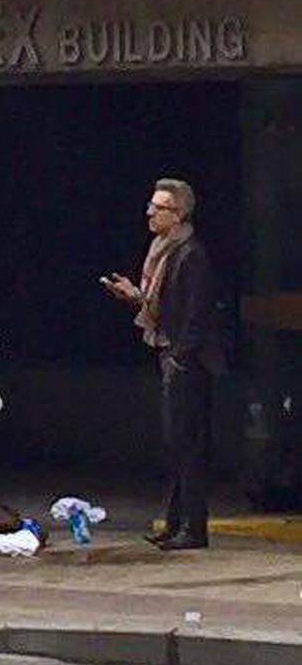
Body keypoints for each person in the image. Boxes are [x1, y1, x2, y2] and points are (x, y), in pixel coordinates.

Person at [103, 178, 226, 551]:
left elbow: (195, 314)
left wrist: (181, 357)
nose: (150, 213)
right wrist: (134, 297)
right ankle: (174, 523)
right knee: (174, 444)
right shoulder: (162, 251)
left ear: (179, 214)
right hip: (168, 351)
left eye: (159, 208)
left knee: (187, 444)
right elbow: (161, 306)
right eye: (150, 206)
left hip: (187, 359)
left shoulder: (191, 254)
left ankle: (194, 527)